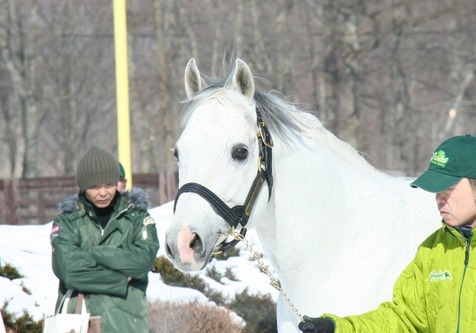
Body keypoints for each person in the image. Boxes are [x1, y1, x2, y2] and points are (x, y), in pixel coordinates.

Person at [299, 134, 476, 333]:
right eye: (436, 191)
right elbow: (404, 319)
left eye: (448, 189)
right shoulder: (432, 251)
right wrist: (338, 328)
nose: (439, 199)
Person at [50, 145, 160, 333]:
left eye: (109, 185)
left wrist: (92, 252)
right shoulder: (67, 221)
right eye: (94, 186)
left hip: (126, 325)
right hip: (77, 324)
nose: (103, 192)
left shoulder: (138, 218)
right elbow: (68, 272)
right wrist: (120, 280)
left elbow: (142, 262)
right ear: (84, 186)